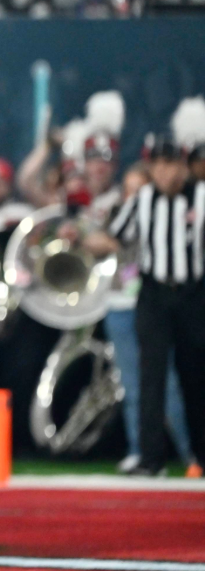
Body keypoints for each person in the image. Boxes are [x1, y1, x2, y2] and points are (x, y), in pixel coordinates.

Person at [92, 134, 205, 476]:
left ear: (184, 167)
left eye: (171, 164)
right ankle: (150, 458)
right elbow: (114, 236)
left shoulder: (201, 196)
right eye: (157, 164)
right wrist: (81, 235)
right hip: (154, 294)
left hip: (193, 294)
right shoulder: (142, 200)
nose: (165, 172)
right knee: (150, 376)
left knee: (196, 376)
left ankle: (199, 455)